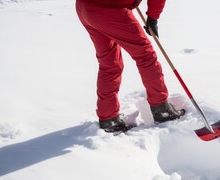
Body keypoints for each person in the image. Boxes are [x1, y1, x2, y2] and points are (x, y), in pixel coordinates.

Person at [76, 0, 185, 132]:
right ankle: (161, 109)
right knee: (146, 56)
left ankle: (108, 118)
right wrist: (153, 17)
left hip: (85, 8)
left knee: (109, 64)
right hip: (109, 9)